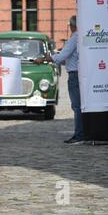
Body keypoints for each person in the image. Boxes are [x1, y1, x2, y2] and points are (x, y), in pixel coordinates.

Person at [34, 16, 84, 144]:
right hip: (80, 74)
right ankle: (81, 133)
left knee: (76, 106)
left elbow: (62, 56)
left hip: (74, 75)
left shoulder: (74, 38)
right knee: (79, 106)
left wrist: (44, 59)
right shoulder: (81, 36)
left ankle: (79, 135)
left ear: (72, 26)